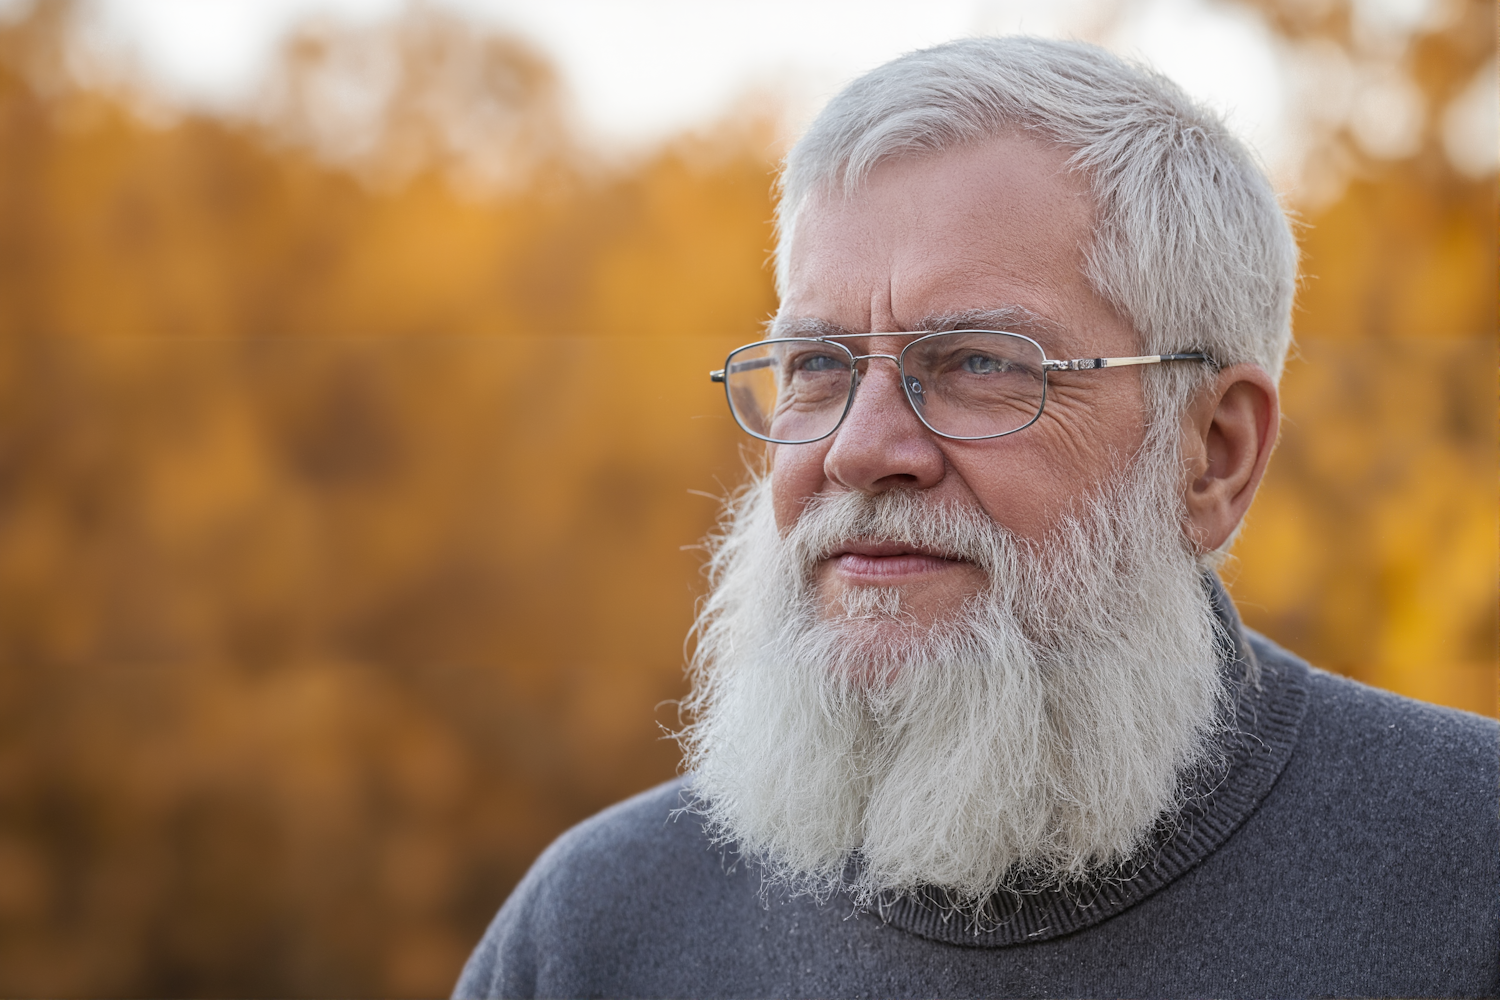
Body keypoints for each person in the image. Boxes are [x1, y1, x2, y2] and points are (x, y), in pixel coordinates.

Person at [455, 36, 1499, 998]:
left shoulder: (1469, 876)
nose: (861, 448)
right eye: (818, 365)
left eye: (978, 365)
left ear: (1214, 452)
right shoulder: (597, 935)